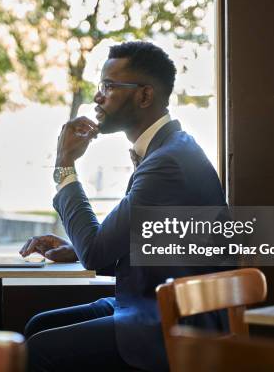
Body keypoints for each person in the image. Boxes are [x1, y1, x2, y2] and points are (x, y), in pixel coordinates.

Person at [19, 41, 228, 372]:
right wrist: (77, 248)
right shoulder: (170, 149)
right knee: (38, 326)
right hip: (151, 304)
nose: (97, 97)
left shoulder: (166, 163)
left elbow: (97, 252)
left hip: (172, 322)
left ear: (144, 96)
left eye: (108, 86)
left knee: (39, 349)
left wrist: (64, 166)